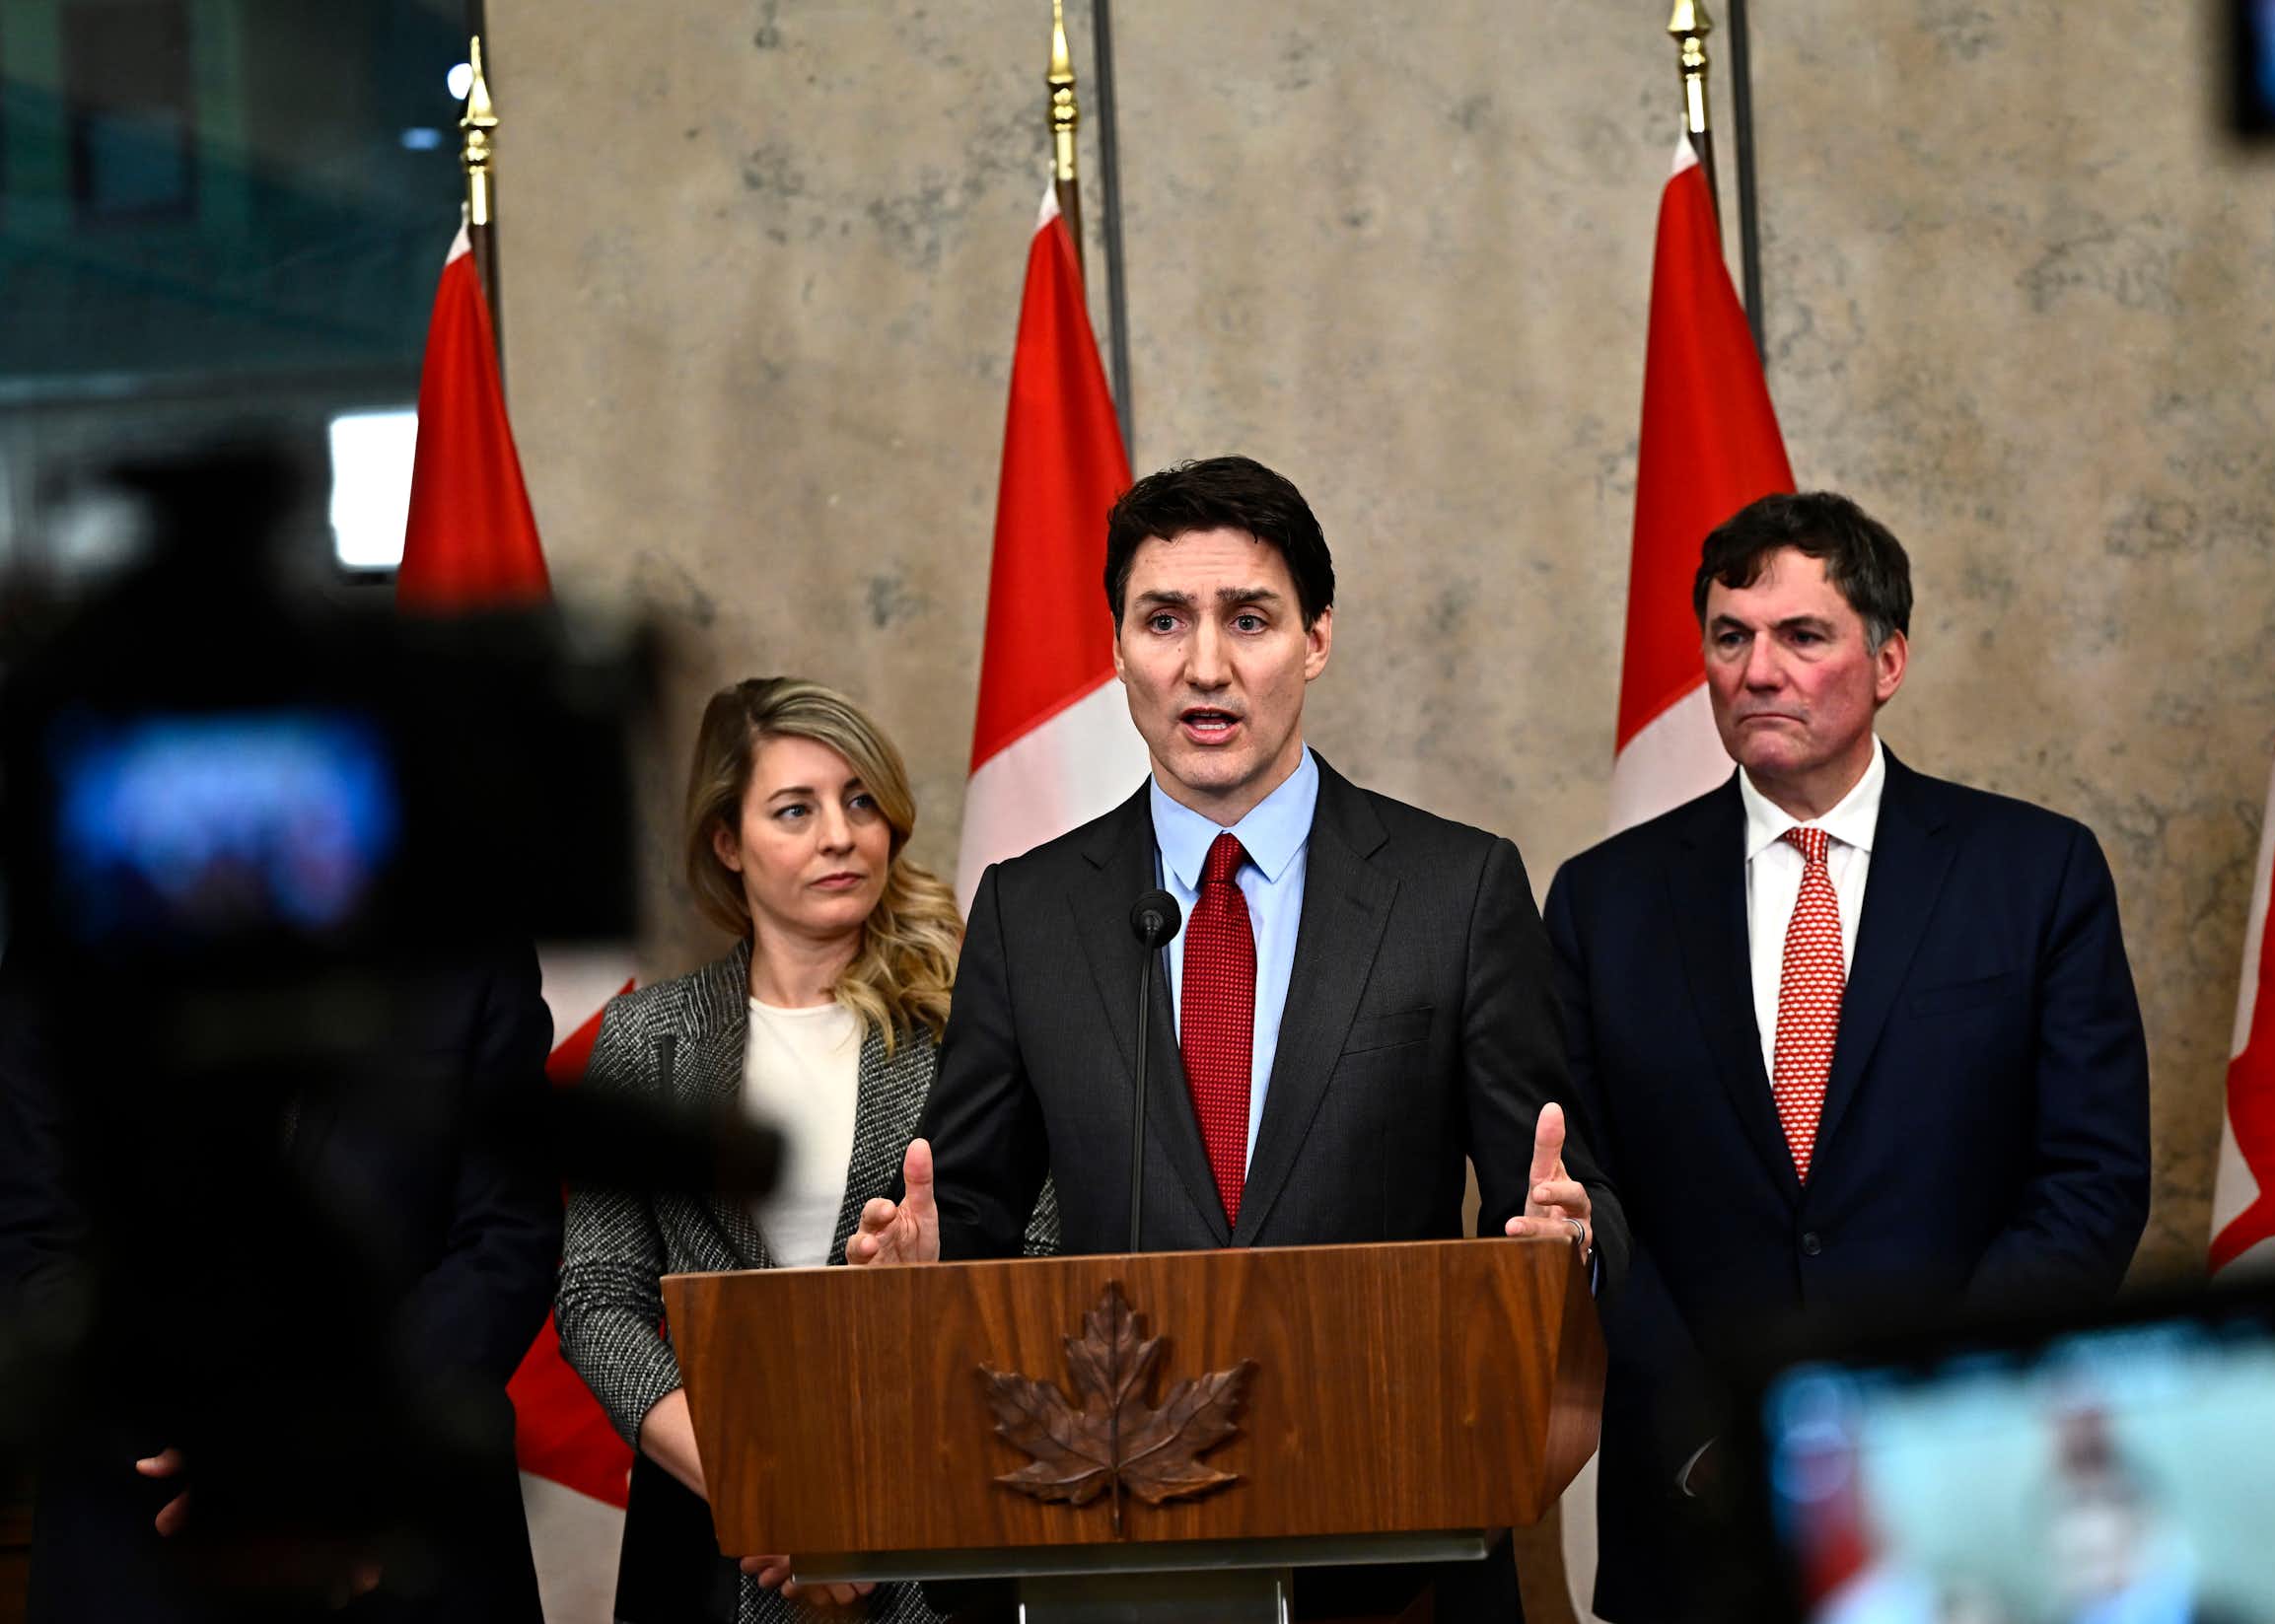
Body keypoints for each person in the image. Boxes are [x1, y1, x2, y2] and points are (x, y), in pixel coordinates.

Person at [848, 455, 1628, 1622]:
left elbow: (1571, 1189)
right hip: (1118, 1543)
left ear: (1315, 639)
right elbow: (966, 1207)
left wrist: (1570, 1242)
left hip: (1397, 1540)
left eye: (1248, 619)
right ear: (1116, 648)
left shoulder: (1453, 890)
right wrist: (918, 1269)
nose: (1203, 666)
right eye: (1164, 621)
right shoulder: (1032, 910)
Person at [1545, 491, 2150, 1621]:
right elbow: (1587, 1207)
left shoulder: (2034, 875)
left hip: (1972, 1504)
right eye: (1730, 638)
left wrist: (1928, 1418)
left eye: (1801, 636)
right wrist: (1710, 1430)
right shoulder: (1603, 903)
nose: (1757, 671)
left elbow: (2090, 1181)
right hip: (1696, 1516)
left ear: (1887, 661)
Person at [554, 678, 1052, 1624]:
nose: (840, 834)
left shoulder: (978, 1031)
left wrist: (934, 1281)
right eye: (796, 809)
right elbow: (596, 1299)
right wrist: (768, 1491)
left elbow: (1046, 1266)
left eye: (861, 799)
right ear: (728, 842)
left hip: (931, 1526)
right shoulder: (647, 1037)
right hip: (709, 1530)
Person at [0, 945, 561, 1624]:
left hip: (405, 1540)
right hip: (134, 1539)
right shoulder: (65, 942)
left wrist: (338, 1439)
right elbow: (34, 1244)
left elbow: (506, 1237)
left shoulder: (474, 936)